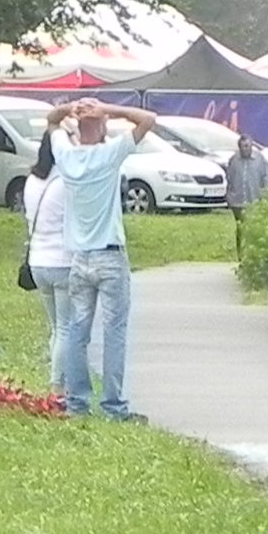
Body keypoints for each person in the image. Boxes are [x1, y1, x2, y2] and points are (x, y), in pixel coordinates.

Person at [41, 95, 159, 421]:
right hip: (109, 254)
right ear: (103, 125)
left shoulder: (66, 155)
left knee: (77, 332)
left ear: (78, 127)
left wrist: (71, 109)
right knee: (114, 331)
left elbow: (51, 119)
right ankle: (113, 406)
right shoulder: (110, 154)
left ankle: (77, 402)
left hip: (79, 258)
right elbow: (148, 119)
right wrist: (108, 108)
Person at [24, 135, 73, 352]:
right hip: (63, 260)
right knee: (66, 329)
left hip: (37, 261)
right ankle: (61, 374)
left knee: (56, 328)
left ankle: (55, 368)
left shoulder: (32, 180)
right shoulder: (67, 180)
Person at [229, 131, 266, 254]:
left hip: (254, 201)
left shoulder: (260, 160)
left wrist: (264, 196)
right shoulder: (234, 160)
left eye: (248, 146)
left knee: (254, 228)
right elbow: (230, 179)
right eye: (243, 146)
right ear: (239, 147)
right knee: (241, 228)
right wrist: (230, 197)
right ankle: (241, 254)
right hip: (238, 202)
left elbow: (265, 178)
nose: (246, 149)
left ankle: (253, 253)